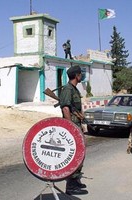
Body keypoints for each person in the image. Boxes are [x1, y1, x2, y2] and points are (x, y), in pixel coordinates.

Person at [59, 65, 88, 195]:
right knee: (76, 154)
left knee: (80, 153)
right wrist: (70, 128)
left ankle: (76, 181)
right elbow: (65, 109)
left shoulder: (74, 89)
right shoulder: (67, 89)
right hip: (72, 127)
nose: (81, 76)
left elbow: (74, 108)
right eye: (80, 74)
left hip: (77, 125)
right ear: (76, 75)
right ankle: (71, 185)